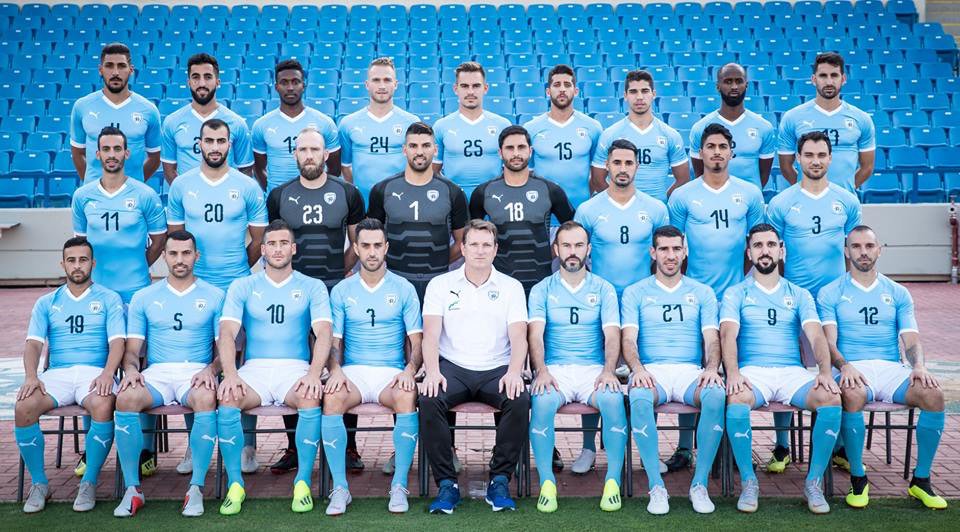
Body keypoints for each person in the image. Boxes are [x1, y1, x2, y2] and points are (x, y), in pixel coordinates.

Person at [818, 226, 947, 510]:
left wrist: (919, 366)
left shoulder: (898, 292)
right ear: (846, 251)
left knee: (934, 395)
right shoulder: (830, 292)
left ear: (879, 250)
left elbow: (911, 339)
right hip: (852, 367)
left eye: (869, 246)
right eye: (856, 246)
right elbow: (828, 342)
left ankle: (921, 480)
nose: (863, 252)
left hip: (891, 368)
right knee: (852, 393)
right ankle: (858, 477)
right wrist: (844, 366)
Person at [167, 118, 268, 473]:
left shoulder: (248, 187)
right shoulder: (182, 186)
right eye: (208, 141)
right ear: (199, 144)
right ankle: (194, 446)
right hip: (195, 287)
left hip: (236, 285)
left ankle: (247, 445)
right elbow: (177, 239)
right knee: (197, 362)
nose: (214, 147)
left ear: (230, 144)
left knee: (240, 361)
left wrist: (237, 269)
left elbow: (258, 240)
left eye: (221, 141)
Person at [721, 223, 842, 515]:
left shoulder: (799, 294)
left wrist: (825, 372)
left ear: (781, 250)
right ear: (749, 253)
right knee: (736, 399)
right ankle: (749, 482)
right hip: (753, 371)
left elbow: (816, 335)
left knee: (831, 398)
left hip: (791, 372)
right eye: (758, 246)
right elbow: (727, 335)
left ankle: (813, 483)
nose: (765, 251)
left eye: (771, 245)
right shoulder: (735, 293)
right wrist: (733, 373)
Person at [265, 127, 365, 475]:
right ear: (295, 154)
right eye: (303, 149)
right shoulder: (279, 195)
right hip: (292, 292)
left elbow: (356, 244)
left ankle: (349, 446)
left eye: (315, 149)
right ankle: (295, 447)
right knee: (296, 364)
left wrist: (339, 273)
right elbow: (276, 245)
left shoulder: (347, 192)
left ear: (326, 154)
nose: (309, 155)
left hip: (334, 289)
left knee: (339, 362)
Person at [215, 220, 332, 515]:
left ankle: (302, 482)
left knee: (310, 396)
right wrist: (230, 375)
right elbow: (227, 333)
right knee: (228, 397)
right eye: (271, 244)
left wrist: (313, 374)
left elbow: (324, 334)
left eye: (283, 243)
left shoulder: (312, 286)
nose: (278, 249)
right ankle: (235, 484)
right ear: (263, 249)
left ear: (293, 248)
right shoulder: (242, 286)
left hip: (295, 368)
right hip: (254, 369)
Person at [765, 130, 863, 472]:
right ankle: (782, 446)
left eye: (821, 155)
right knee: (787, 365)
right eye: (809, 155)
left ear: (831, 158)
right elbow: (772, 253)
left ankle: (838, 446)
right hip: (794, 301)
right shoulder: (781, 203)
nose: (816, 161)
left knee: (836, 366)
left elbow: (853, 251)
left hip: (834, 301)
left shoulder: (847, 201)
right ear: (797, 159)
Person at [668, 123, 764, 469]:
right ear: (701, 152)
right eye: (711, 146)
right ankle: (684, 447)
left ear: (732, 152)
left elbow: (754, 245)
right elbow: (675, 248)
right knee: (695, 368)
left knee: (735, 369)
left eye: (723, 146)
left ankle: (731, 447)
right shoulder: (682, 196)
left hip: (736, 297)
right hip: (695, 298)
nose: (717, 152)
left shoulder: (750, 194)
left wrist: (738, 283)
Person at [111, 231, 224, 517]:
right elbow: (132, 350)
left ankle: (195, 488)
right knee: (125, 398)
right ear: (164, 256)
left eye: (186, 253)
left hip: (195, 371)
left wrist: (211, 369)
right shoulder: (144, 297)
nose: (179, 259)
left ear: (197, 256)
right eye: (173, 253)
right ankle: (132, 489)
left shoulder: (215, 295)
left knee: (206, 397)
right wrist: (131, 370)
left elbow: (224, 349)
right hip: (157, 372)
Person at [420, 220, 530, 514]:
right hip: (453, 366)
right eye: (474, 245)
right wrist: (432, 371)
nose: (480, 251)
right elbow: (430, 335)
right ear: (463, 248)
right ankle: (447, 484)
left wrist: (514, 371)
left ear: (495, 249)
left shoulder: (511, 287)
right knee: (429, 398)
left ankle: (500, 480)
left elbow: (519, 336)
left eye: (486, 245)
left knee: (519, 399)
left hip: (497, 368)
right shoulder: (440, 285)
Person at [620, 225, 726, 515]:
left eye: (676, 249)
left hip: (689, 371)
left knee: (716, 395)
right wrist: (638, 369)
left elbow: (711, 338)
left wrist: (712, 368)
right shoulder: (635, 292)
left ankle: (699, 484)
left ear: (685, 251)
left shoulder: (702, 292)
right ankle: (656, 486)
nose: (670, 255)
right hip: (653, 371)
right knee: (639, 396)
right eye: (664, 249)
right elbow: (628, 339)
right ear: (653, 253)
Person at [322, 218, 424, 515]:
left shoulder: (403, 288)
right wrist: (335, 369)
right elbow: (333, 342)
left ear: (386, 247)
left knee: (407, 395)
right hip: (353, 372)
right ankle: (340, 488)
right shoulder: (342, 290)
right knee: (332, 397)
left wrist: (409, 370)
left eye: (377, 245)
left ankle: (399, 485)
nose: (372, 252)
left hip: (390, 372)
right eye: (365, 245)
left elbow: (416, 342)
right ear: (355, 248)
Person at [16, 237, 125, 513]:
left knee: (103, 403)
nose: (77, 266)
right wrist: (31, 376)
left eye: (83, 260)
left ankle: (88, 482)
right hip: (58, 374)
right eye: (71, 260)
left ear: (93, 264)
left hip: (95, 373)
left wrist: (108, 373)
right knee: (24, 406)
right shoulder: (46, 302)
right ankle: (39, 484)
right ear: (62, 264)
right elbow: (33, 344)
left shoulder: (109, 298)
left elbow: (117, 343)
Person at [528, 221, 627, 513]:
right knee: (542, 402)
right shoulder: (542, 289)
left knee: (613, 400)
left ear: (588, 249)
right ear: (556, 249)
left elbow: (612, 334)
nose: (573, 252)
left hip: (592, 370)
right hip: (555, 369)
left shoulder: (604, 288)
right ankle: (547, 483)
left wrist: (608, 370)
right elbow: (535, 335)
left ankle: (612, 482)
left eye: (579, 245)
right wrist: (542, 371)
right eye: (567, 245)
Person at [367, 122, 469, 301]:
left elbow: (462, 242)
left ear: (435, 150)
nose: (420, 152)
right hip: (394, 281)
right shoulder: (382, 189)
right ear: (404, 150)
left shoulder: (452, 191)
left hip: (438, 281)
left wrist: (439, 261)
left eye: (426, 145)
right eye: (413, 146)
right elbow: (370, 239)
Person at [470, 125, 575, 294]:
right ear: (500, 153)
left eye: (521, 147)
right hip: (498, 284)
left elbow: (573, 230)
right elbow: (470, 237)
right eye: (509, 148)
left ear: (530, 151)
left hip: (540, 283)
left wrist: (553, 251)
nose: (516, 153)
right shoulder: (484, 192)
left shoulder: (550, 190)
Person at [72, 126, 167, 305]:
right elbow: (80, 245)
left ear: (127, 153)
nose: (112, 155)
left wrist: (139, 267)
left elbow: (160, 241)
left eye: (117, 149)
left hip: (136, 290)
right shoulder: (82, 196)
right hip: (96, 291)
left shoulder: (146, 195)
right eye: (106, 149)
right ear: (98, 154)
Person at [575, 139, 669, 298]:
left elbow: (665, 256)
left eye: (629, 163)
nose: (623, 169)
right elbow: (577, 255)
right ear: (607, 165)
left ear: (637, 166)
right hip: (601, 297)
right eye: (617, 163)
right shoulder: (587, 210)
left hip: (643, 298)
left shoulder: (656, 209)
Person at [778, 52, 876, 192]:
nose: (829, 82)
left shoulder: (861, 119)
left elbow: (867, 167)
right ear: (813, 79)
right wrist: (809, 189)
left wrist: (844, 191)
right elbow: (786, 167)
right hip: (806, 200)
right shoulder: (792, 117)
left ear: (843, 79)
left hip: (844, 202)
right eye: (823, 76)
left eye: (834, 75)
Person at [590, 70, 689, 201]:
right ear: (625, 96)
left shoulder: (670, 135)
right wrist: (619, 201)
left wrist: (662, 202)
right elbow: (597, 180)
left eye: (645, 91)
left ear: (653, 94)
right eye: (633, 92)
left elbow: (683, 180)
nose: (639, 97)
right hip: (620, 208)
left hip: (657, 211)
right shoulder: (610, 135)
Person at [71, 42, 161, 183]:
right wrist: (93, 186)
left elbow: (155, 158)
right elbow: (77, 153)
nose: (115, 72)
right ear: (100, 69)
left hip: (133, 195)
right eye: (109, 66)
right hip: (94, 195)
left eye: (121, 66)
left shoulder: (149, 110)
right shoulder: (82, 106)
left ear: (131, 70)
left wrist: (133, 185)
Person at [161, 53, 253, 182]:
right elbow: (169, 170)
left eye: (208, 77)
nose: (202, 83)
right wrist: (185, 192)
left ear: (217, 82)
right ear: (188, 82)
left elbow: (246, 171)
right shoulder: (172, 122)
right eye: (196, 77)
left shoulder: (237, 123)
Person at [252, 59, 341, 193]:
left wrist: (318, 191)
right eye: (284, 82)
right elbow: (259, 168)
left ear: (303, 85)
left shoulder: (324, 123)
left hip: (315, 197)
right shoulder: (261, 125)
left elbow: (335, 169)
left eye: (295, 82)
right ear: (276, 87)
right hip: (278, 200)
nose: (290, 88)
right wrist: (276, 194)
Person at [338, 57, 420, 200]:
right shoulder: (348, 123)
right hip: (363, 203)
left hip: (401, 202)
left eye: (387, 80)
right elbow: (345, 166)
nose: (382, 86)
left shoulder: (412, 123)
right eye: (376, 80)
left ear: (395, 84)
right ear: (367, 84)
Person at [524, 64, 603, 210]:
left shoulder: (593, 127)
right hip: (543, 212)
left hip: (580, 210)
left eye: (567, 85)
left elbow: (597, 174)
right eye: (556, 85)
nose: (562, 89)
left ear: (576, 91)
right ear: (548, 91)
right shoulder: (531, 128)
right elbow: (527, 174)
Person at [432, 61, 512, 200]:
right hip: (455, 201)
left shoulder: (503, 125)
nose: (470, 92)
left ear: (485, 88)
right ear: (455, 89)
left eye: (476, 86)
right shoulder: (441, 126)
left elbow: (511, 170)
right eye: (464, 86)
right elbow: (433, 173)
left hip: (493, 200)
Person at [689, 63, 776, 189]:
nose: (734, 86)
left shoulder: (764, 127)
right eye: (728, 82)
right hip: (714, 197)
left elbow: (764, 174)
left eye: (739, 81)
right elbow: (699, 173)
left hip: (750, 198)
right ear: (718, 86)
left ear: (746, 85)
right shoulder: (700, 128)